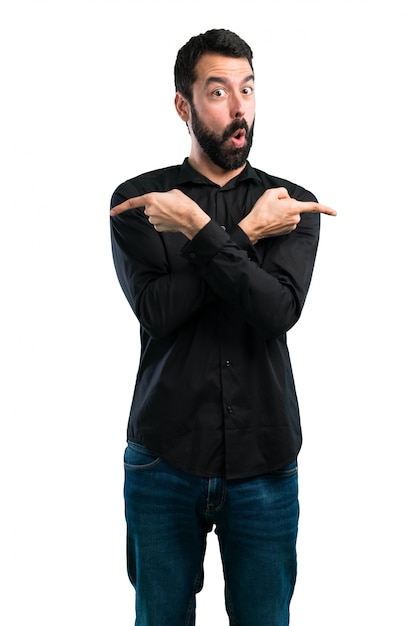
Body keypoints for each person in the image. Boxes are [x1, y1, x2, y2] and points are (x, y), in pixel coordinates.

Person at [109, 28, 336, 626]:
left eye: (248, 90)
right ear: (183, 105)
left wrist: (202, 232)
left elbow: (276, 310)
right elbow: (158, 310)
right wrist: (240, 238)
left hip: (265, 461)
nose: (239, 110)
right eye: (218, 92)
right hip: (163, 460)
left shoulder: (291, 206)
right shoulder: (142, 201)